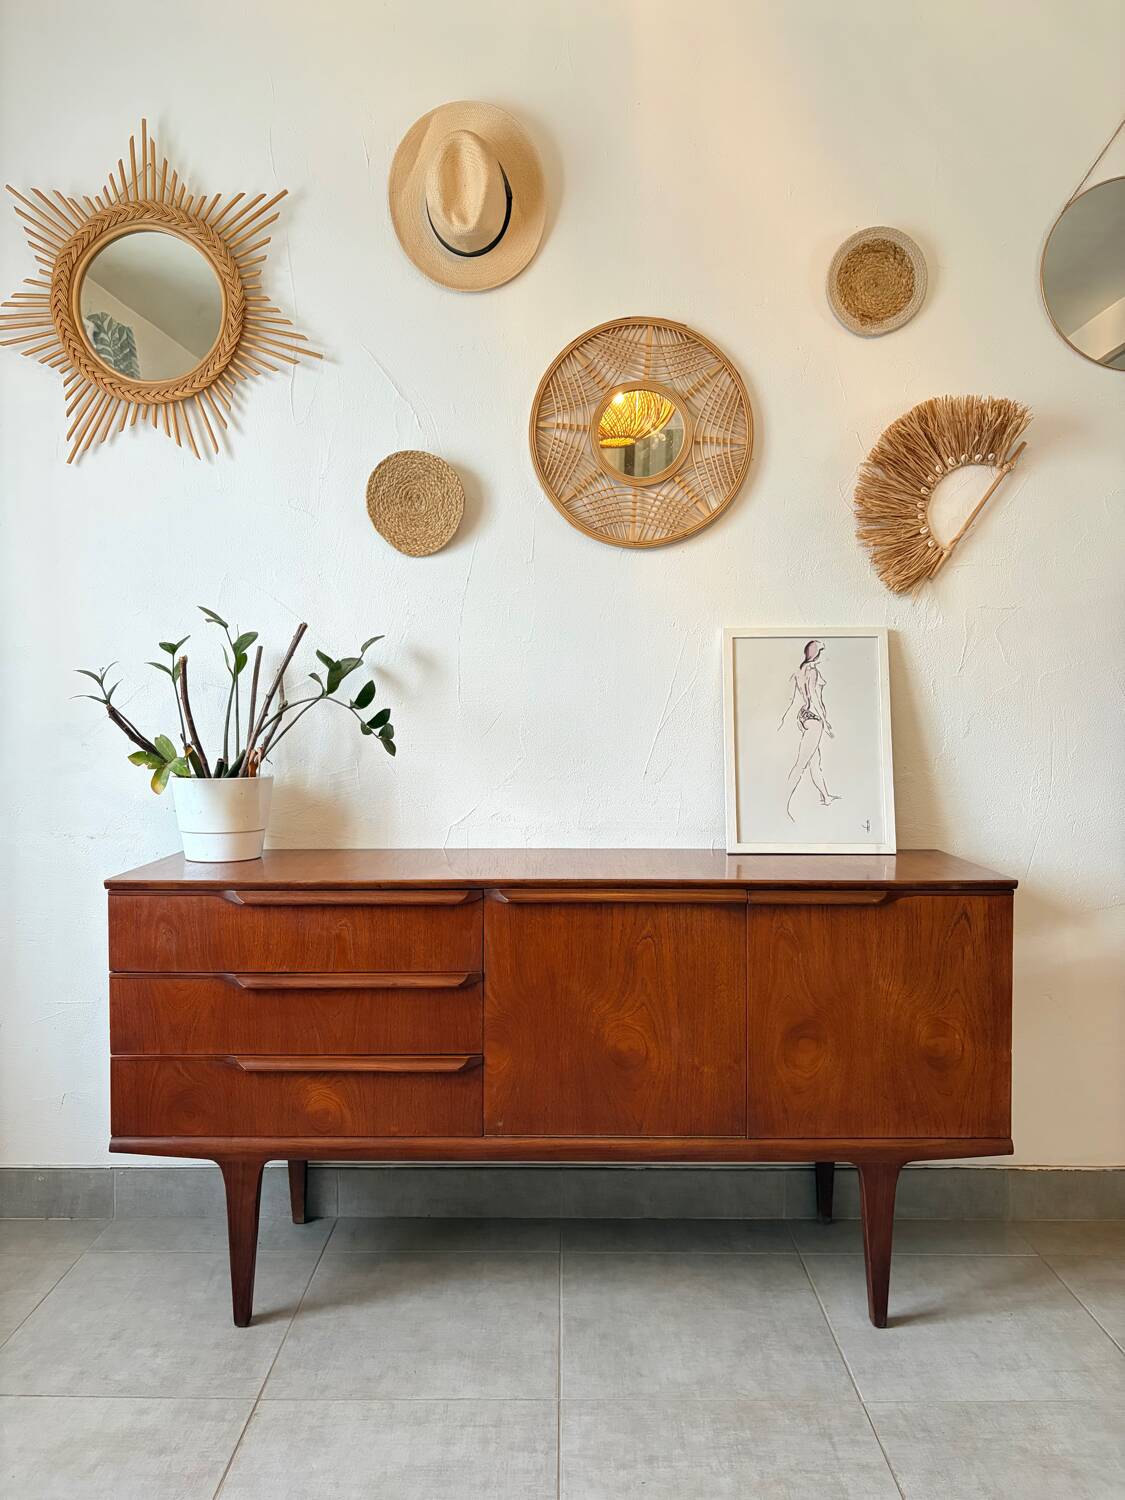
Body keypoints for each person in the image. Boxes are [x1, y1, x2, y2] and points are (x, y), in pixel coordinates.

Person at [778, 639, 842, 821]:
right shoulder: (812, 671)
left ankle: (826, 796)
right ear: (817, 654)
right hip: (814, 720)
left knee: (815, 762)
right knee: (801, 764)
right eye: (822, 652)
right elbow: (814, 697)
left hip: (804, 717)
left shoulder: (798, 671)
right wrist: (825, 721)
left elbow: (792, 699)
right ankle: (782, 805)